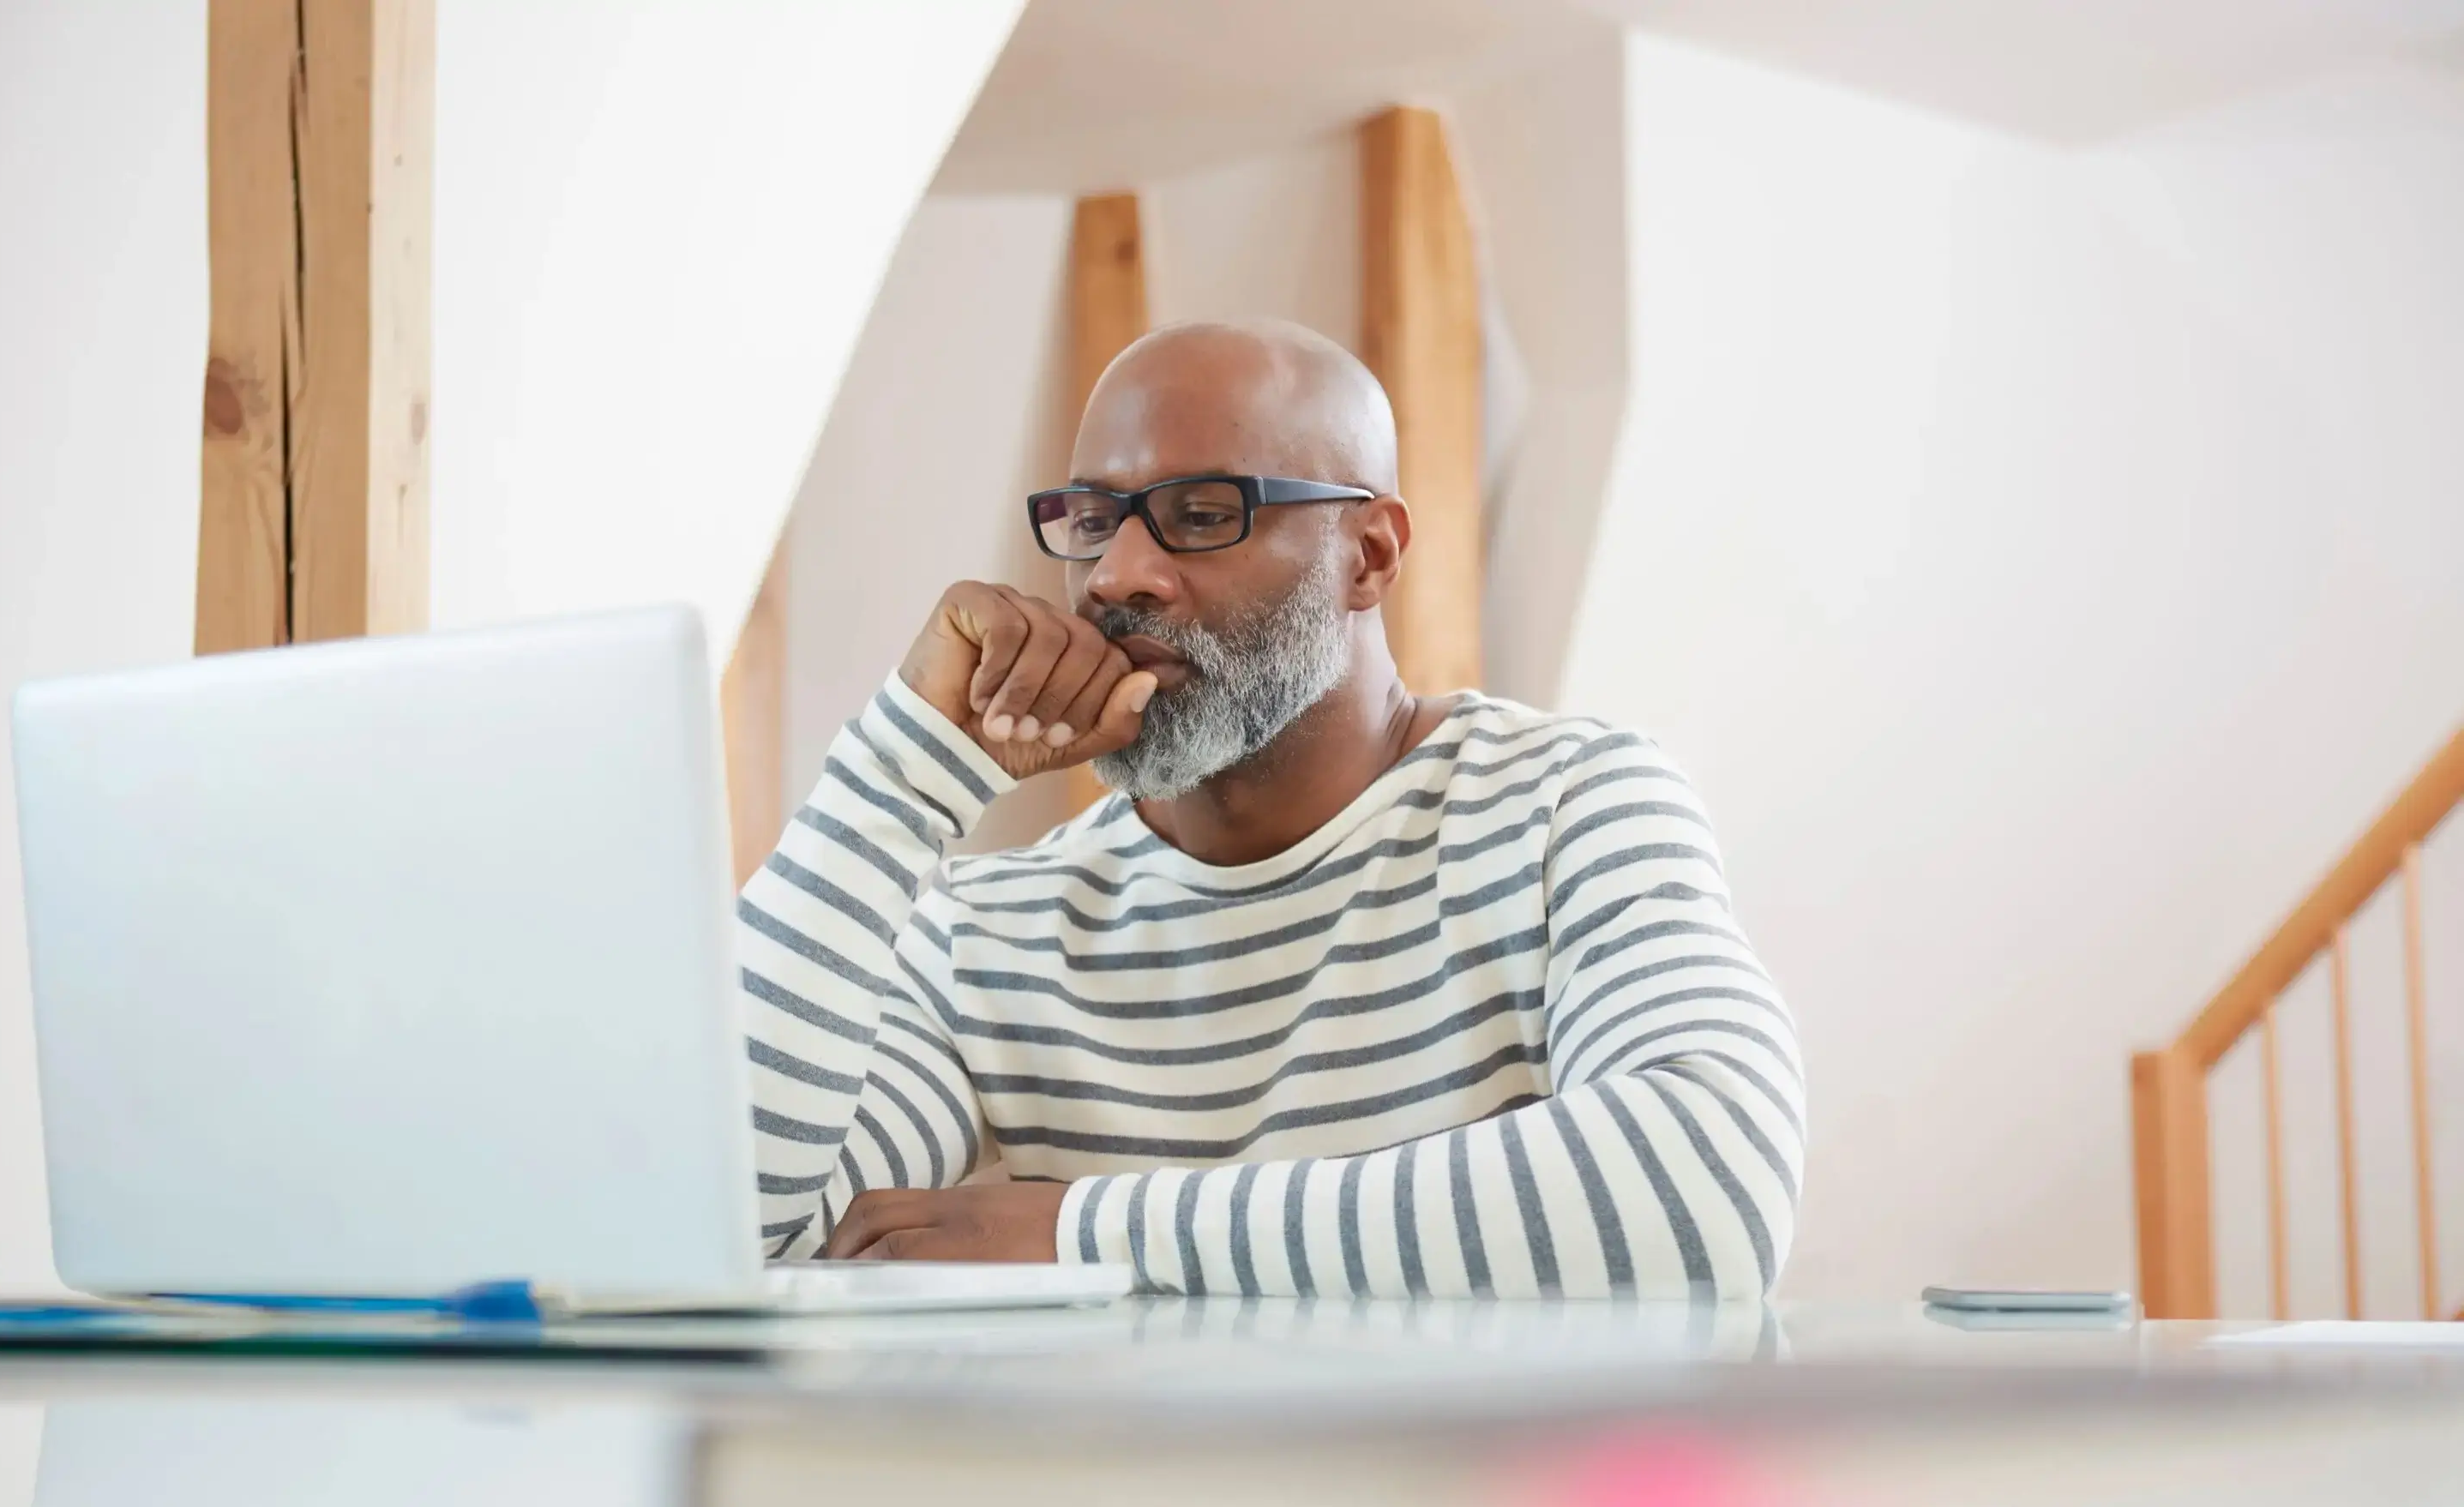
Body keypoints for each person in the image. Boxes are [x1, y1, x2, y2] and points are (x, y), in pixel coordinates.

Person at [735, 319, 1801, 1297]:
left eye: (1202, 515)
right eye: (1094, 521)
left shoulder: (1570, 807)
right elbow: (727, 1239)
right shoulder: (985, 937)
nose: (1118, 575)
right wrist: (899, 773)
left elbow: (1708, 1186)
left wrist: (1080, 1231)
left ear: (1370, 555)